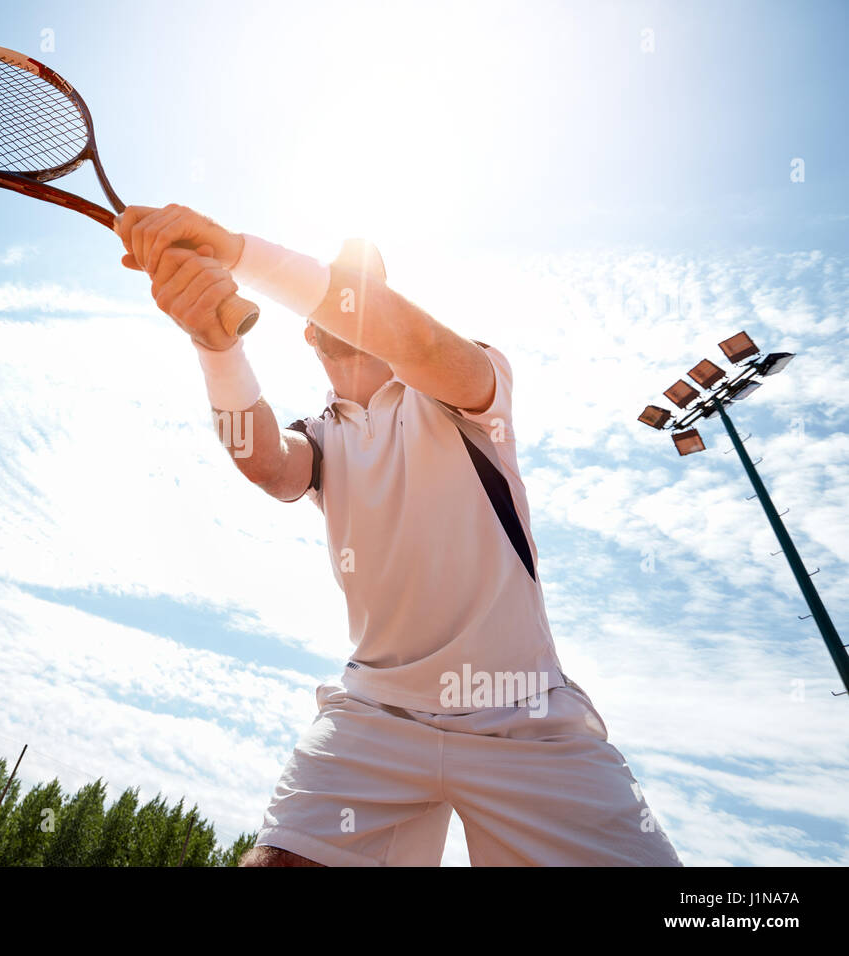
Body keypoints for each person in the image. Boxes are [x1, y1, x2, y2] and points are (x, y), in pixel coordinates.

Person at [114, 205, 682, 867]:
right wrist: (216, 346)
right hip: (375, 713)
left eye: (367, 293)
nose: (355, 305)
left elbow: (417, 343)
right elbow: (265, 463)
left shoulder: (464, 382)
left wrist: (238, 252)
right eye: (341, 290)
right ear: (307, 332)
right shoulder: (320, 437)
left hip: (524, 713)